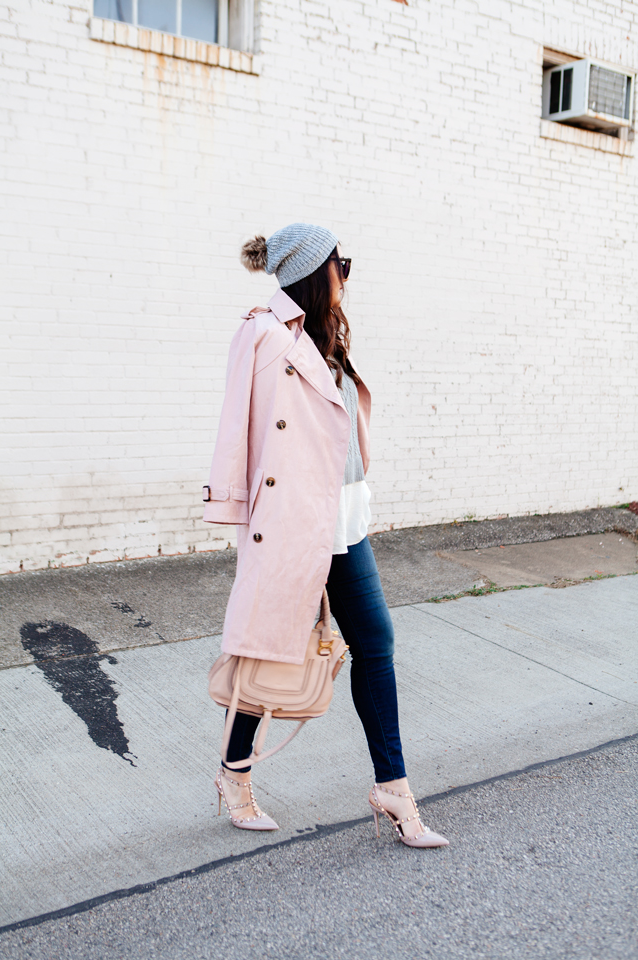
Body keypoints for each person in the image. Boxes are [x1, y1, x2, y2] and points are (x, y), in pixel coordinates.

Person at [203, 223, 448, 848]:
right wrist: (235, 511)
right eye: (343, 265)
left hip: (344, 520)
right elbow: (237, 425)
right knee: (272, 646)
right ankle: (234, 776)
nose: (347, 276)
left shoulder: (326, 334)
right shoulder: (262, 333)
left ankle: (392, 789)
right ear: (316, 270)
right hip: (293, 522)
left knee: (375, 643)